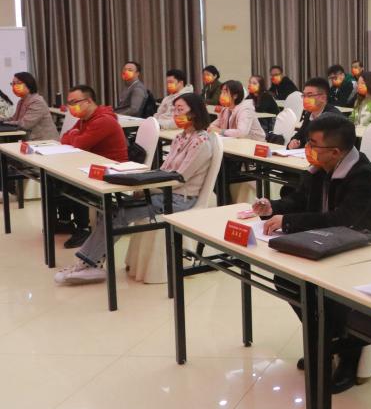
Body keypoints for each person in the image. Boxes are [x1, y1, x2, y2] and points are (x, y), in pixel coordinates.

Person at [252, 114, 371, 393]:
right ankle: (328, 338)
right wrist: (273, 207)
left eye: (313, 144)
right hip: (334, 243)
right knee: (286, 280)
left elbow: (342, 219)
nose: (308, 149)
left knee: (335, 292)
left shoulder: (361, 174)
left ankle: (348, 355)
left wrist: (289, 222)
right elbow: (299, 199)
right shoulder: (320, 167)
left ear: (335, 152)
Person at [55, 93, 213, 285]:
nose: (176, 114)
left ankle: (88, 263)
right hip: (164, 192)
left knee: (119, 213)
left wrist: (149, 188)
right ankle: (90, 262)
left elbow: (179, 179)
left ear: (194, 112)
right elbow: (164, 170)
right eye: (175, 110)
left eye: (180, 110)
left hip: (179, 199)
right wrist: (145, 184)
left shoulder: (201, 143)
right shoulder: (181, 137)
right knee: (114, 210)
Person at [60, 85, 129, 247]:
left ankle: (83, 229)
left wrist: (75, 136)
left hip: (111, 168)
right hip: (93, 164)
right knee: (56, 179)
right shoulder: (84, 119)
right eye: (69, 103)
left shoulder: (103, 120)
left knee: (73, 182)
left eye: (74, 102)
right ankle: (63, 221)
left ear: (89, 101)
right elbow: (64, 138)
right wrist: (75, 136)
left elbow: (79, 143)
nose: (71, 106)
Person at [1, 72, 58, 140]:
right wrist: (2, 120)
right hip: (31, 140)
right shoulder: (21, 101)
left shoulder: (37, 101)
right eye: (13, 84)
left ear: (29, 84)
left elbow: (25, 124)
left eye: (18, 83)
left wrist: (5, 123)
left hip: (46, 141)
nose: (14, 86)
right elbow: (14, 119)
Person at [289, 77, 343, 149]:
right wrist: (293, 142)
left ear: (323, 98)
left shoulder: (332, 117)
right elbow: (299, 135)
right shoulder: (309, 114)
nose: (305, 99)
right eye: (304, 95)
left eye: (309, 95)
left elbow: (331, 147)